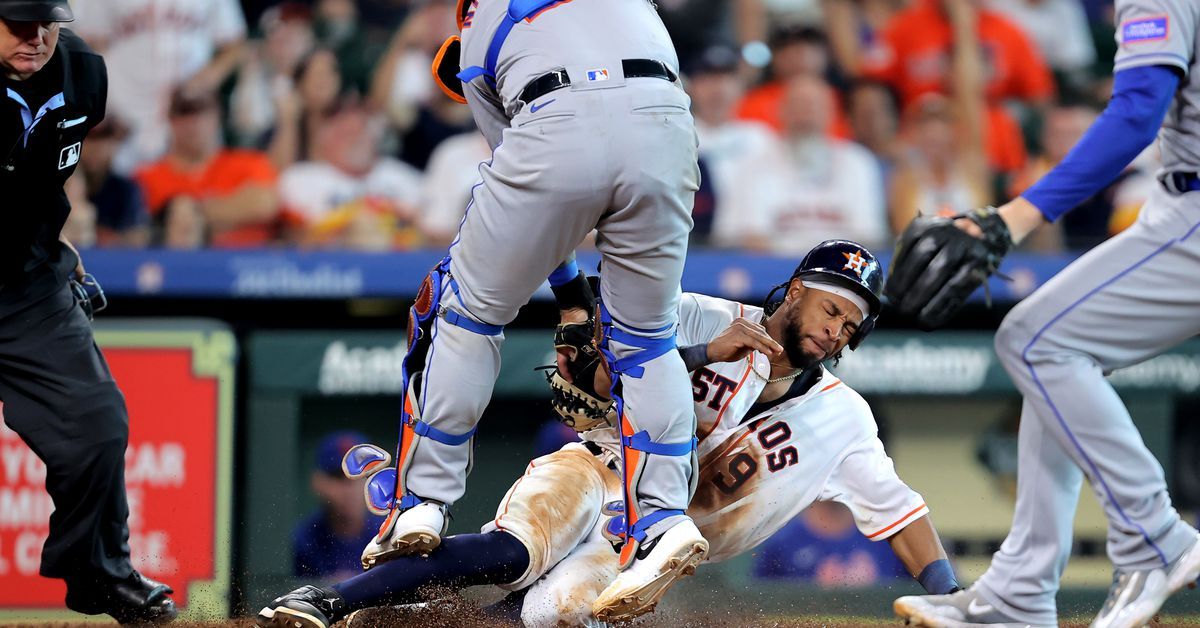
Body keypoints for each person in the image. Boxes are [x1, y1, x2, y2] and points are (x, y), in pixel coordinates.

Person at [256, 240, 962, 628]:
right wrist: (698, 355)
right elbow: (591, 378)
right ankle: (332, 600)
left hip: (654, 542)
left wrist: (951, 600)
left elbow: (902, 515)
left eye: (850, 326)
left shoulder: (844, 416)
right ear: (799, 289)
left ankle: (396, 627)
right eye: (833, 308)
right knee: (513, 553)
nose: (837, 330)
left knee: (550, 616)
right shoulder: (697, 314)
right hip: (603, 466)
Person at [363, 1, 704, 622]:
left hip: (557, 120)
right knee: (649, 341)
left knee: (464, 312)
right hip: (667, 125)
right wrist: (574, 293)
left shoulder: (481, 20)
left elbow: (519, 160)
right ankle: (664, 519)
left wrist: (568, 291)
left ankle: (420, 501)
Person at [887, 1, 1200, 626]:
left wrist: (1014, 217)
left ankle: (1157, 540)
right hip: (1177, 200)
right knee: (1052, 346)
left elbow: (1137, 112)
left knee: (1036, 341)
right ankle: (1019, 594)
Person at [0, 0, 175, 622]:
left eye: (48, 21)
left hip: (24, 285)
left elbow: (41, 172)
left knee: (97, 425)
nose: (38, 36)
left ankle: (100, 574)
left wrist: (52, 237)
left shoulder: (81, 73)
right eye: (19, 23)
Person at [716, 75, 887, 255]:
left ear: (832, 114)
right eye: (797, 106)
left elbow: (868, 238)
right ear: (780, 112)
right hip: (770, 275)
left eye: (814, 107)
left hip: (841, 277)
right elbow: (747, 238)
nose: (805, 116)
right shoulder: (751, 165)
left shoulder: (858, 163)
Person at [135, 89, 281, 248]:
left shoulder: (249, 162)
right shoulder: (146, 177)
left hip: (250, 267)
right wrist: (231, 210)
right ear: (169, 119)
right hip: (180, 268)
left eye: (202, 110)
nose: (194, 120)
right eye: (184, 111)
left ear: (218, 116)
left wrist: (185, 215)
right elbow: (139, 232)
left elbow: (264, 205)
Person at [293, 431, 386, 582]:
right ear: (318, 482)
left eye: (360, 477)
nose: (350, 489)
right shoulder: (305, 539)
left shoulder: (387, 533)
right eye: (338, 477)